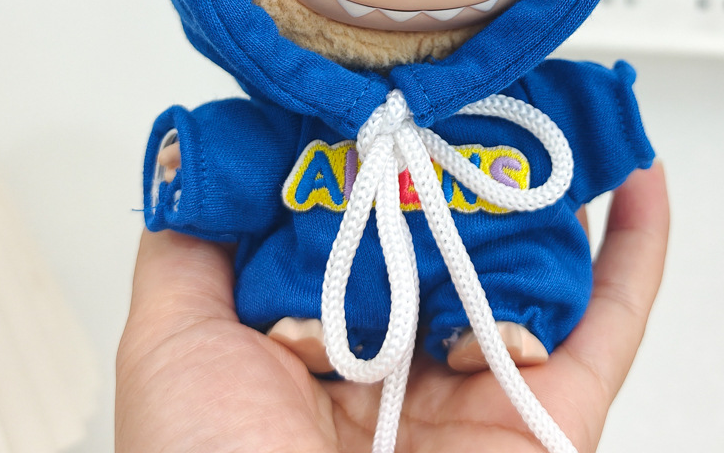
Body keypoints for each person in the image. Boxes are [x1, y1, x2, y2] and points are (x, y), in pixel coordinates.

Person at [116, 161, 668, 453]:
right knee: (321, 254)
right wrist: (202, 160)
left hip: (480, 245)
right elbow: (259, 144)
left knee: (520, 256)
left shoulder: (517, 96)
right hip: (352, 244)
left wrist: (609, 118)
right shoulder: (316, 97)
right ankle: (323, 324)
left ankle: (496, 323)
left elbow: (574, 119)